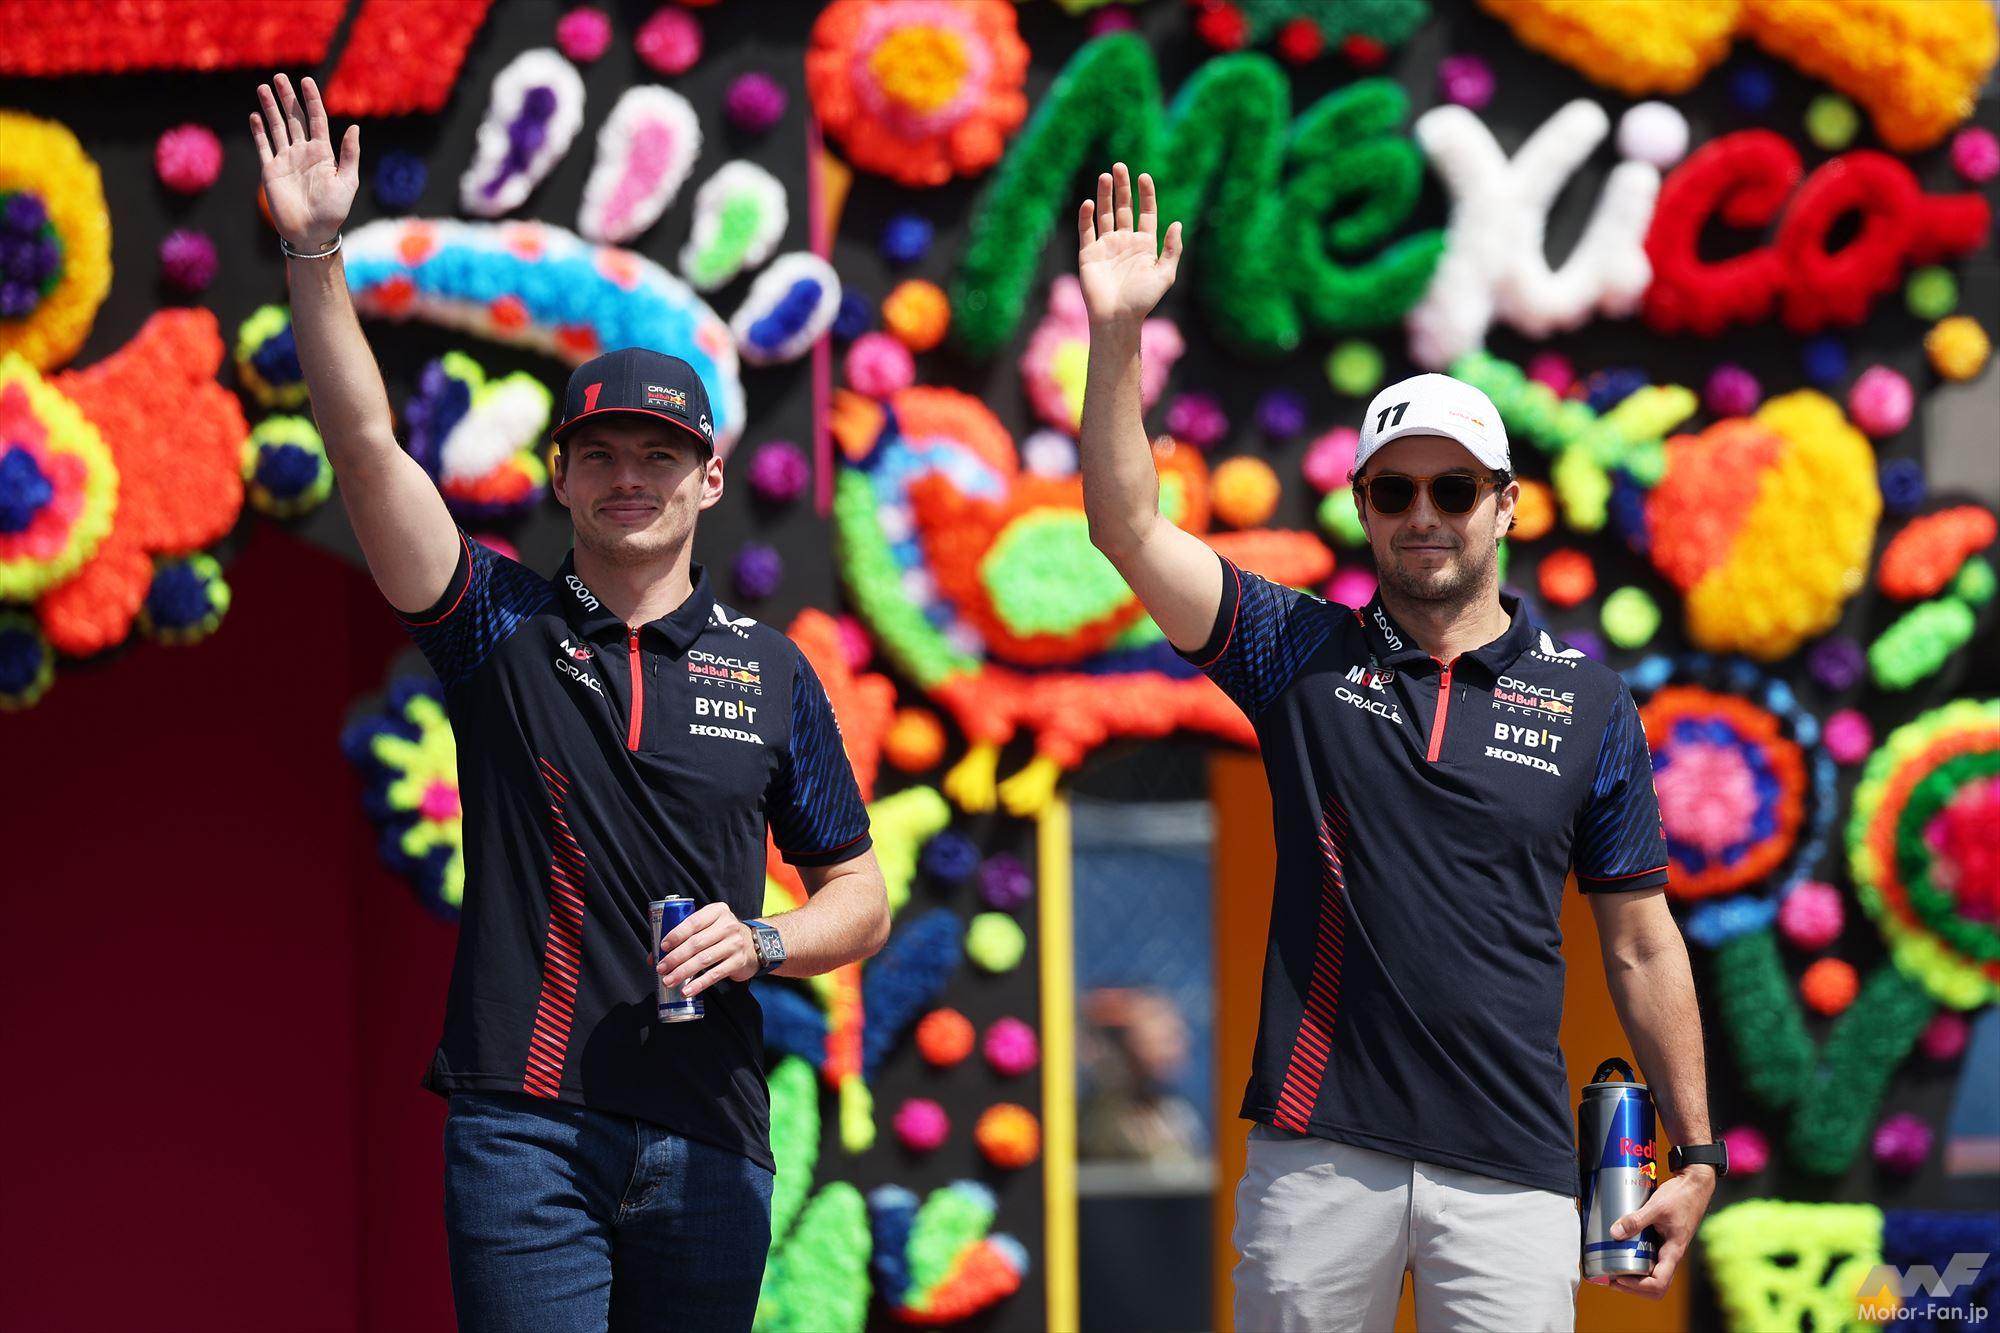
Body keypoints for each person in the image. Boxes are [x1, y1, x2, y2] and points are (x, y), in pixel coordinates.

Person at [251, 74, 890, 1333]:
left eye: (658, 455)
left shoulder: (771, 669)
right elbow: (368, 448)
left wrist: (761, 941)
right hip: (525, 1133)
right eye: (599, 453)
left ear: (710, 479)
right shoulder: (495, 623)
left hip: (712, 1136)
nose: (627, 477)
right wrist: (314, 251)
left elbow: (858, 896)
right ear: (559, 475)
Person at [1076, 162, 1723, 1331]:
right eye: (1392, 491)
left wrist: (1696, 1151)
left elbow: (1637, 942)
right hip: (1319, 1155)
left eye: (1452, 488)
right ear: (1363, 506)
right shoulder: (1294, 649)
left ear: (1505, 504)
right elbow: (1126, 526)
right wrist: (1116, 334)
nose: (1422, 514)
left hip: (1516, 1170)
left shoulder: (1588, 703)